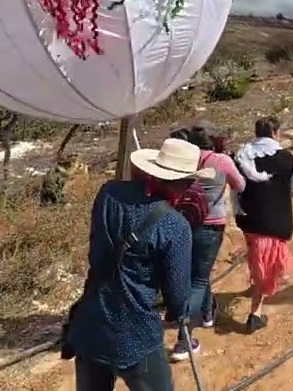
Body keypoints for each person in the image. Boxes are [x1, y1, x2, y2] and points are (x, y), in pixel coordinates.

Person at [67, 137, 214, 391]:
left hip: (91, 321)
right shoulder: (175, 226)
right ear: (183, 184)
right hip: (135, 333)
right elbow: (178, 297)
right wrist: (179, 314)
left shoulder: (108, 193)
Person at [164, 126, 245, 361]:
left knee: (197, 273)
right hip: (211, 226)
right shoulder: (221, 161)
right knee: (198, 279)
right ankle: (184, 340)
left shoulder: (183, 159)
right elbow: (240, 185)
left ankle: (208, 313)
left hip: (182, 222)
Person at [233, 117, 293, 333]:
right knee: (269, 266)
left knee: (256, 256)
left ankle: (256, 287)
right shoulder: (286, 158)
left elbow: (237, 188)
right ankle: (255, 313)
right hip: (275, 221)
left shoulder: (242, 156)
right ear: (276, 133)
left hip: (248, 219)